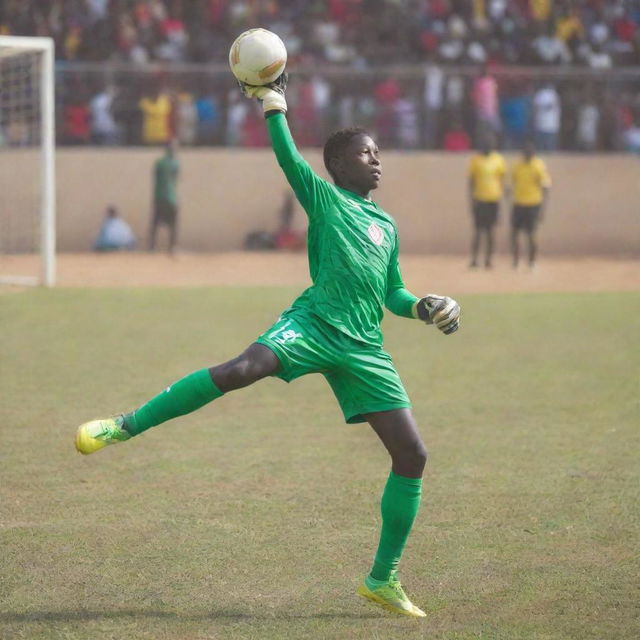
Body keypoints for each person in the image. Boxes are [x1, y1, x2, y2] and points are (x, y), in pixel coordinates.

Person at [74, 73, 461, 619]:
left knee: (412, 455)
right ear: (339, 167)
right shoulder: (326, 199)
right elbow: (289, 161)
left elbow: (392, 291)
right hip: (313, 326)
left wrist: (421, 307)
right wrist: (273, 105)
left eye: (378, 153)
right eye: (365, 154)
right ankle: (124, 424)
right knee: (240, 370)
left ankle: (383, 579)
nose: (376, 161)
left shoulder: (386, 225)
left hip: (364, 347)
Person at [510, 140, 551, 269]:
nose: (527, 154)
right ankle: (516, 261)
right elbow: (513, 182)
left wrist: (542, 209)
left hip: (533, 203)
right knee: (514, 234)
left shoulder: (538, 166)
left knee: (531, 234)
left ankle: (532, 261)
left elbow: (545, 187)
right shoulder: (517, 165)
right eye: (525, 152)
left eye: (530, 152)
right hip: (518, 203)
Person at [468, 134, 507, 269]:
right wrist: (471, 201)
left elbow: (502, 180)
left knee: (491, 232)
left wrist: (502, 198)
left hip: (493, 200)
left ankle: (488, 260)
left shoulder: (499, 160)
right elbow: (471, 182)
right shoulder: (476, 160)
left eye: (489, 145)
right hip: (480, 200)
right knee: (478, 231)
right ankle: (474, 259)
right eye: (485, 145)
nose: (487, 147)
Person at [149, 139, 179, 253]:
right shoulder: (175, 163)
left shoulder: (159, 163)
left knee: (155, 223)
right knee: (173, 224)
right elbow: (176, 178)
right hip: (171, 197)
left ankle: (152, 246)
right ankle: (172, 247)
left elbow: (155, 178)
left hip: (159, 196)